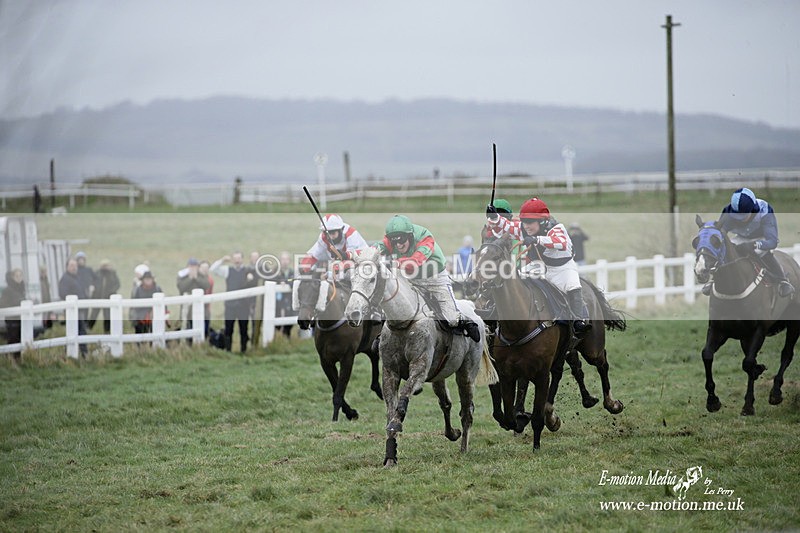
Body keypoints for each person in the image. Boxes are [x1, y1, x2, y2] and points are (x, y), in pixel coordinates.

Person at [487, 197, 592, 334]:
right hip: (539, 266)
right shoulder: (525, 229)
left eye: (530, 222)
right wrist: (494, 217)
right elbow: (507, 226)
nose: (526, 226)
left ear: (542, 221)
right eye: (524, 221)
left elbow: (560, 242)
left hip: (562, 268)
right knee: (513, 278)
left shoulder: (556, 228)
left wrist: (537, 240)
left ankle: (578, 321)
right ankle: (495, 311)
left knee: (573, 285)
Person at [375, 214, 481, 342]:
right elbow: (375, 249)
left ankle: (466, 321)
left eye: (401, 240)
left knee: (451, 318)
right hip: (410, 279)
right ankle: (384, 334)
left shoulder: (425, 237)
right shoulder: (391, 240)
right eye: (394, 242)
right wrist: (361, 255)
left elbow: (416, 261)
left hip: (435, 278)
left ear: (410, 236)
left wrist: (394, 263)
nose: (398, 245)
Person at [719, 187, 794, 297]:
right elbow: (719, 234)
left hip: (761, 238)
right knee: (726, 250)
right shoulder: (728, 212)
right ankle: (714, 280)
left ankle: (782, 280)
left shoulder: (765, 211)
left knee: (761, 252)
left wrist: (753, 244)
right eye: (737, 214)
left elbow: (772, 242)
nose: (740, 219)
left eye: (744, 214)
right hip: (740, 237)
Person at [210, 252, 257, 352]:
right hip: (230, 306)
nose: (237, 260)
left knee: (243, 329)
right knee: (228, 329)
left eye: (239, 258)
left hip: (243, 306)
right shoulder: (228, 270)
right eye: (235, 258)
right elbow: (213, 269)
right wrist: (222, 260)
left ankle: (243, 350)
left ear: (242, 259)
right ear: (232, 260)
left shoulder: (248, 271)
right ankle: (228, 350)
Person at [299, 214, 369, 275]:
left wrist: (332, 270)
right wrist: (303, 268)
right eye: (327, 233)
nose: (330, 237)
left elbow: (350, 260)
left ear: (341, 230)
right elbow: (314, 254)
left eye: (333, 233)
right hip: (340, 267)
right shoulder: (323, 237)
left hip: (362, 265)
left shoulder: (351, 235)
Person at [59, 258, 88, 356]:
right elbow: (63, 293)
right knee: (75, 331)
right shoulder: (65, 279)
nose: (74, 268)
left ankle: (81, 354)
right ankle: (78, 354)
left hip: (80, 310)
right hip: (72, 311)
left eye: (75, 265)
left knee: (80, 331)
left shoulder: (77, 278)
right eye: (71, 265)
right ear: (67, 267)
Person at [176, 258, 212, 336]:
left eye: (195, 266)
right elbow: (181, 287)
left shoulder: (201, 275)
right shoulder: (182, 275)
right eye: (191, 266)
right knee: (186, 324)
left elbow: (207, 285)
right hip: (186, 305)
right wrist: (190, 279)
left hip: (200, 306)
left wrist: (196, 278)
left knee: (200, 325)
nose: (193, 268)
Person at [87, 259, 121, 332]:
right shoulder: (97, 273)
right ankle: (88, 328)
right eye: (104, 265)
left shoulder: (112, 274)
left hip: (108, 298)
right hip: (97, 297)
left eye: (106, 265)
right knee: (93, 315)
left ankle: (107, 331)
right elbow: (92, 283)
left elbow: (117, 284)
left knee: (107, 316)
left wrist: (111, 292)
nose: (105, 267)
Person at [1, 268, 26, 361]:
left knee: (20, 338)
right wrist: (15, 304)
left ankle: (18, 359)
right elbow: (3, 304)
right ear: (13, 277)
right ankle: (10, 359)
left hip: (21, 318)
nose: (19, 278)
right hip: (12, 319)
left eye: (20, 276)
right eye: (17, 276)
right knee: (13, 339)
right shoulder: (8, 290)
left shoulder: (21, 288)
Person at [274, 251, 296, 337]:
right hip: (278, 302)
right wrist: (280, 281)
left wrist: (286, 282)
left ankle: (287, 338)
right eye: (283, 259)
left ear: (289, 261)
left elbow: (293, 280)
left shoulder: (292, 272)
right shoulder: (275, 271)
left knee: (289, 323)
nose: (285, 261)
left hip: (289, 301)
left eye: (287, 259)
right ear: (280, 260)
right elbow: (274, 280)